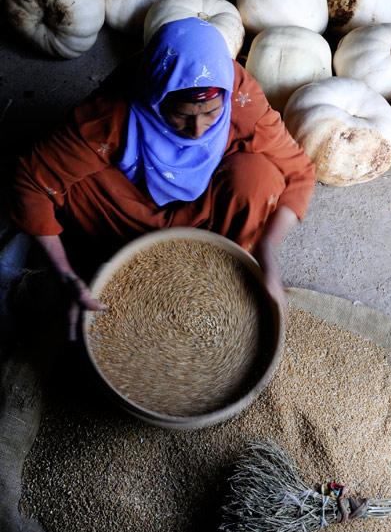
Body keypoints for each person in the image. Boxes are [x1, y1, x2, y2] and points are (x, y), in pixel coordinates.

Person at [11, 17, 315, 340]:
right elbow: (29, 182)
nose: (198, 131)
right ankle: (131, 262)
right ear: (156, 98)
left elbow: (298, 171)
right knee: (70, 185)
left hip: (208, 211)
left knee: (260, 178)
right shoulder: (112, 113)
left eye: (211, 114)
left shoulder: (238, 95)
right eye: (182, 115)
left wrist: (267, 248)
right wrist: (64, 274)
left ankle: (221, 266)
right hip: (131, 215)